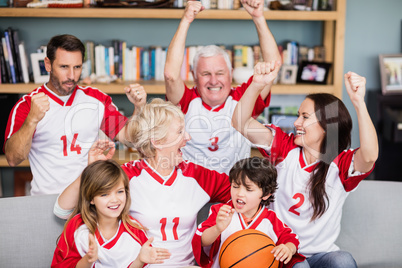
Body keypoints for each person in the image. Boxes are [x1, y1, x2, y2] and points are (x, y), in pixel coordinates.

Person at [232, 62, 378, 267]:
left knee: (343, 260)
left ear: (327, 126)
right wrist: (256, 85)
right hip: (283, 252)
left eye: (305, 117)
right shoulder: (284, 147)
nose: (296, 123)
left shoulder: (341, 163)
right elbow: (240, 122)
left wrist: (359, 103)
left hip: (322, 254)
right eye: (298, 115)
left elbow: (370, 156)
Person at [54, 98, 232, 267]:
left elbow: (243, 193)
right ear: (157, 142)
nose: (188, 137)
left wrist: (213, 224)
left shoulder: (197, 175)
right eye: (179, 131)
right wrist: (89, 171)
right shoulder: (126, 176)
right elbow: (62, 211)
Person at [3, 34, 146, 195]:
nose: (72, 75)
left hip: (89, 200)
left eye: (77, 67)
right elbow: (13, 159)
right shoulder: (27, 105)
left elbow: (130, 140)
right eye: (64, 67)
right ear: (48, 65)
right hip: (46, 200)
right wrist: (31, 120)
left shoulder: (96, 98)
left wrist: (139, 107)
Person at [164, 0, 281, 174]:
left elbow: (272, 66)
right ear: (194, 76)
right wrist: (186, 19)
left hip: (233, 192)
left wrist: (258, 17)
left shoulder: (244, 98)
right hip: (191, 190)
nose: (213, 81)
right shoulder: (187, 101)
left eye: (220, 73)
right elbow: (171, 75)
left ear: (230, 73)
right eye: (205, 74)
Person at [51, 159, 171, 267]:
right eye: (104, 194)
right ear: (91, 198)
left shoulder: (135, 231)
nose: (115, 200)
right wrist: (88, 260)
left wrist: (140, 260)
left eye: (119, 191)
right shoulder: (77, 226)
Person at [192, 157, 306, 267]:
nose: (240, 193)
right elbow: (201, 241)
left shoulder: (271, 220)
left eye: (249, 189)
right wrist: (217, 228)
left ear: (266, 194)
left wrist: (288, 249)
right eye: (235, 186)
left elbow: (291, 239)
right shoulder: (221, 212)